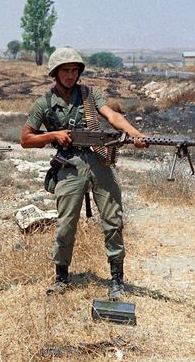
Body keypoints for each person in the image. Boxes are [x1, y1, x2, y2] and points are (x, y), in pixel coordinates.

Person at [20, 47, 148, 300]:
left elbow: (111, 115)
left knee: (113, 219)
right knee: (66, 223)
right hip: (68, 165)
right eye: (65, 71)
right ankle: (61, 277)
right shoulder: (44, 104)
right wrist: (52, 136)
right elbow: (25, 139)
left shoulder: (90, 95)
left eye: (74, 70)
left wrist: (135, 134)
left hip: (100, 160)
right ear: (55, 73)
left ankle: (117, 280)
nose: (70, 75)